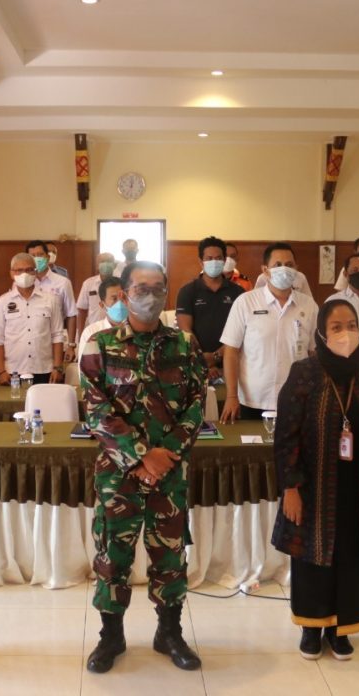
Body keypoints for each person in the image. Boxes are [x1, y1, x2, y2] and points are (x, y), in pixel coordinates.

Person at [81, 261, 207, 674]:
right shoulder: (99, 345)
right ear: (124, 291)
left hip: (169, 473)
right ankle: (110, 636)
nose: (148, 295)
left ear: (167, 292)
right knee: (113, 556)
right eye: (140, 287)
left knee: (169, 556)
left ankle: (168, 631)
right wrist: (140, 457)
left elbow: (194, 405)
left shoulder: (185, 345)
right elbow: (96, 410)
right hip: (118, 474)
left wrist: (164, 454)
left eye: (157, 288)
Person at [272, 299, 359, 661]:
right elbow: (286, 436)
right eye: (336, 327)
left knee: (355, 555)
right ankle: (312, 628)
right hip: (314, 487)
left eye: (351, 325)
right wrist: (290, 488)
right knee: (314, 555)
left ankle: (343, 628)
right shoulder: (305, 373)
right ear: (322, 334)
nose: (346, 334)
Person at [220, 242, 319, 422]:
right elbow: (231, 352)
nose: (284, 269)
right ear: (265, 270)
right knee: (252, 450)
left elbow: (313, 353)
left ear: (296, 269)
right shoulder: (246, 302)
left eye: (289, 265)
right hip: (253, 400)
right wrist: (231, 396)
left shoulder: (309, 306)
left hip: (297, 398)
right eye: (277, 265)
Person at [0, 252, 65, 385]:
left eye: (29, 270)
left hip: (44, 369)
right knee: (14, 406)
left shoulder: (51, 300)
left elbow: (57, 335)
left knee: (44, 405)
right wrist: (1, 371)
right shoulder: (2, 302)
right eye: (19, 270)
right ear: (11, 273)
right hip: (13, 371)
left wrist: (57, 367)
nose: (24, 274)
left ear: (35, 272)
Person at [176, 236, 244, 382]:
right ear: (201, 262)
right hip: (195, 364)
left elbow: (242, 331)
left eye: (218, 258)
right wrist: (203, 359)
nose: (214, 262)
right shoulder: (187, 291)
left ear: (224, 261)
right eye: (209, 258)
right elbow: (185, 330)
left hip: (231, 363)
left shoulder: (238, 293)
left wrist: (215, 357)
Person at [26, 239, 78, 361]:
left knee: (55, 377)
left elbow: (71, 314)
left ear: (48, 257)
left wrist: (71, 345)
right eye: (32, 256)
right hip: (30, 344)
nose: (36, 258)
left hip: (56, 343)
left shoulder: (63, 282)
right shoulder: (22, 283)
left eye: (40, 255)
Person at [76, 275, 125, 363]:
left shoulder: (137, 329)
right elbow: (86, 371)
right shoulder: (91, 333)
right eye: (114, 299)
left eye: (123, 297)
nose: (120, 303)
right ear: (102, 305)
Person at [76, 252, 117, 340]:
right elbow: (82, 311)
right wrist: (80, 335)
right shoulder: (88, 284)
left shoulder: (121, 284)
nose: (106, 264)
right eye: (102, 261)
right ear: (97, 266)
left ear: (114, 265)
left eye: (109, 261)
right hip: (93, 333)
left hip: (115, 332)